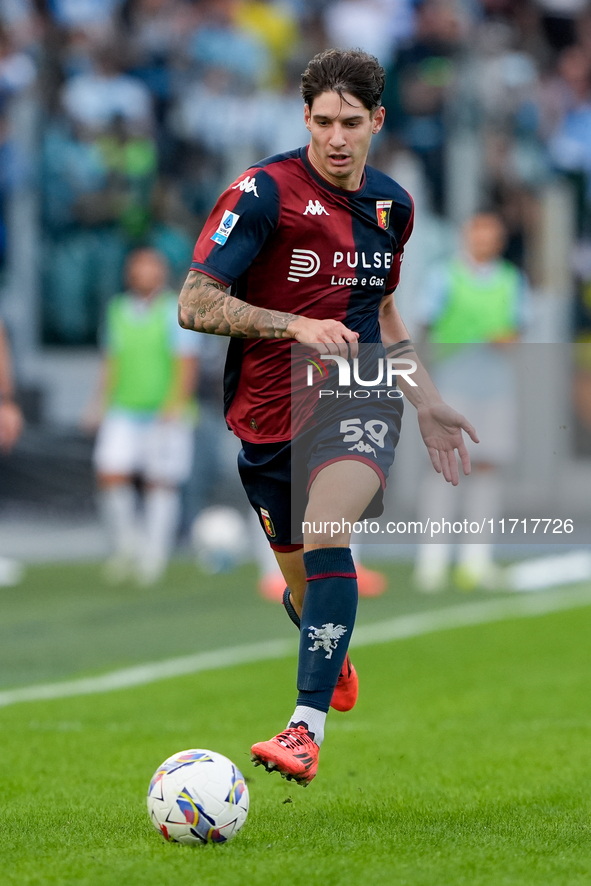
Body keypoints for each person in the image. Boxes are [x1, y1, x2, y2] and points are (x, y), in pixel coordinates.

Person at [178, 48, 478, 786]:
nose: (336, 138)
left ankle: (302, 730)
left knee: (328, 531)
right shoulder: (261, 192)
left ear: (377, 119)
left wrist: (426, 398)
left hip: (356, 393)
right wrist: (292, 325)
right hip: (265, 411)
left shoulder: (392, 207)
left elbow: (378, 310)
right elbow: (193, 302)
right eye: (322, 122)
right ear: (303, 118)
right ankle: (328, 646)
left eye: (351, 122)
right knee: (307, 586)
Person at [413, 211, 529, 592]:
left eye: (491, 236)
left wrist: (507, 339)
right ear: (467, 236)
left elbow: (519, 327)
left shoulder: (512, 280)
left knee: (487, 469)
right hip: (453, 383)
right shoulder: (443, 276)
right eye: (479, 234)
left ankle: (475, 560)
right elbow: (424, 324)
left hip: (494, 384)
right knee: (445, 468)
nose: (484, 242)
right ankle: (431, 561)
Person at [91, 247, 199, 585]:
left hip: (163, 410)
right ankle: (128, 545)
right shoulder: (118, 310)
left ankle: (154, 555)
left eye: (150, 268)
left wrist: (175, 404)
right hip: (124, 407)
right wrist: (98, 402)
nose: (144, 274)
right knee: (109, 472)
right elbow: (113, 360)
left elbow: (186, 362)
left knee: (160, 481)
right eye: (138, 268)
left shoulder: (174, 310)